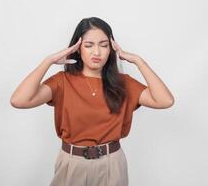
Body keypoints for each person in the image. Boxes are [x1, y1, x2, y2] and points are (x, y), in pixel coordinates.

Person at [10, 17, 174, 186]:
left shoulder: (124, 83)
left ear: (111, 49)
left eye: (104, 45)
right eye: (89, 45)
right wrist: (48, 61)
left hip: (112, 164)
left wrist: (139, 61)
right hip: (72, 164)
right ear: (78, 48)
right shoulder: (62, 82)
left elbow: (165, 100)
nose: (97, 52)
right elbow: (19, 100)